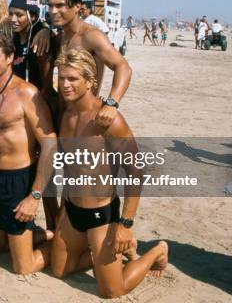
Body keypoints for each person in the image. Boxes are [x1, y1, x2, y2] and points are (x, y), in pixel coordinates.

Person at [50, 48, 168, 298]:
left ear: (90, 82)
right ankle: (105, 254)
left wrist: (125, 225)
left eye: (72, 79)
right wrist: (62, 209)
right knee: (60, 270)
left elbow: (136, 171)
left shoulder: (109, 120)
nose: (65, 85)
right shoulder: (66, 113)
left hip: (101, 214)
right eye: (61, 78)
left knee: (112, 291)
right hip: (72, 210)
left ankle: (156, 252)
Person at [0, 31, 56, 275]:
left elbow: (49, 144)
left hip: (19, 181)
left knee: (22, 268)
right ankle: (39, 235)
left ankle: (61, 247)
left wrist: (34, 196)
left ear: (10, 58)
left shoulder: (27, 93)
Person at [45, 0, 132, 128]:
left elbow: (123, 67)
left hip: (86, 118)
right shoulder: (59, 37)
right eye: (50, 5)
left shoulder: (91, 36)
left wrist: (112, 103)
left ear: (77, 6)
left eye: (60, 5)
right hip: (63, 116)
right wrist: (43, 30)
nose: (53, 11)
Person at [9, 0, 59, 230]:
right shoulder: (16, 38)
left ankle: (54, 227)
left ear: (32, 15)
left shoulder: (39, 37)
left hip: (38, 113)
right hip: (20, 112)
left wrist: (38, 114)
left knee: (45, 177)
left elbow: (47, 84)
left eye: (18, 14)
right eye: (11, 14)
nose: (13, 19)